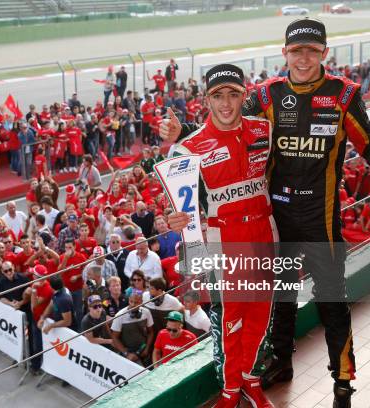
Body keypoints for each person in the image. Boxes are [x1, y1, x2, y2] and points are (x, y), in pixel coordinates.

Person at [162, 21, 370, 406]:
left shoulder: (344, 94)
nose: (303, 58)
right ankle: (278, 364)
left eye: (312, 50)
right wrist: (183, 136)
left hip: (320, 221)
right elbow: (226, 123)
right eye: (296, 51)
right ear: (284, 53)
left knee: (333, 302)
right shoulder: (265, 95)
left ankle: (343, 381)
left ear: (324, 53)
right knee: (279, 299)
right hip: (274, 224)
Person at [164, 63, 277, 407]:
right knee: (229, 320)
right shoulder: (188, 148)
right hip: (224, 241)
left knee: (261, 314)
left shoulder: (265, 130)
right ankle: (229, 389)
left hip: (265, 234)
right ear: (206, 100)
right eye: (218, 96)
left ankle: (251, 380)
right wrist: (174, 219)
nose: (226, 103)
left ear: (245, 95)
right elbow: (178, 204)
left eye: (233, 94)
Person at [111, 289, 154, 366]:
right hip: (128, 352)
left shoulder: (146, 313)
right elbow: (114, 337)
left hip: (142, 349)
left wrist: (147, 348)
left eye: (136, 302)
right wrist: (126, 353)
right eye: (131, 301)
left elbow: (151, 332)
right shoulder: (120, 315)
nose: (133, 304)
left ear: (141, 302)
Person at [59, 238, 87, 330]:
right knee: (67, 312)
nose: (68, 250)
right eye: (66, 248)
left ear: (74, 246)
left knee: (79, 311)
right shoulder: (62, 257)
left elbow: (86, 271)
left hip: (78, 289)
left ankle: (80, 330)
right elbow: (59, 272)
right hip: (66, 290)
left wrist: (77, 276)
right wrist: (66, 258)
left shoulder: (81, 257)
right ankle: (69, 330)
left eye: (70, 247)